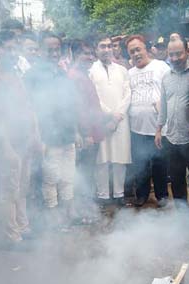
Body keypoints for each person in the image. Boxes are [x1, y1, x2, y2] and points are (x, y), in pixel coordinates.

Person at [0, 29, 38, 246]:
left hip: (23, 140)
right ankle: (12, 236)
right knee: (9, 190)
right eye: (9, 48)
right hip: (8, 143)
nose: (13, 53)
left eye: (16, 49)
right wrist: (5, 147)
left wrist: (35, 136)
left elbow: (28, 107)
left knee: (22, 187)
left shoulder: (14, 74)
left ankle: (23, 226)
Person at [25, 33, 80, 227]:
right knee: (51, 179)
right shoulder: (32, 75)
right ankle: (53, 216)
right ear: (40, 51)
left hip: (66, 134)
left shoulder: (61, 72)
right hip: (48, 136)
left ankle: (69, 211)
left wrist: (76, 131)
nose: (55, 53)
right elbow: (29, 108)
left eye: (57, 49)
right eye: (50, 49)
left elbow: (70, 104)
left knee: (68, 176)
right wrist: (37, 136)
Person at [154, 40, 189, 220]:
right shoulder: (166, 77)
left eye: (179, 54)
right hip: (172, 137)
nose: (175, 58)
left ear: (186, 51)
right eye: (172, 54)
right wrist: (159, 129)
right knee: (176, 180)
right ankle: (182, 219)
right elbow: (164, 106)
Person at [126, 35, 170, 207]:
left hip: (158, 127)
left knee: (160, 163)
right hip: (136, 127)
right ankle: (142, 195)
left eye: (138, 49)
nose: (136, 54)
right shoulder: (129, 73)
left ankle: (162, 196)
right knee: (140, 163)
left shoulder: (161, 66)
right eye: (132, 51)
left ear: (146, 49)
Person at [89, 36, 132, 206]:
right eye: (102, 46)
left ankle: (119, 194)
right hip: (101, 121)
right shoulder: (91, 71)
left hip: (121, 121)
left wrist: (118, 115)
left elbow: (127, 94)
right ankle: (103, 195)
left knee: (119, 159)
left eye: (109, 46)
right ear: (96, 49)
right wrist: (109, 115)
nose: (106, 49)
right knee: (102, 159)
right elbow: (92, 97)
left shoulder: (122, 70)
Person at [68, 39, 107, 220]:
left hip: (93, 133)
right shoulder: (74, 77)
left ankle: (86, 211)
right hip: (87, 136)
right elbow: (77, 110)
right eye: (86, 53)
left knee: (87, 174)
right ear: (75, 54)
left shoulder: (82, 75)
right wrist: (86, 134)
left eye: (92, 53)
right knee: (83, 176)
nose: (90, 57)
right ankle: (82, 214)